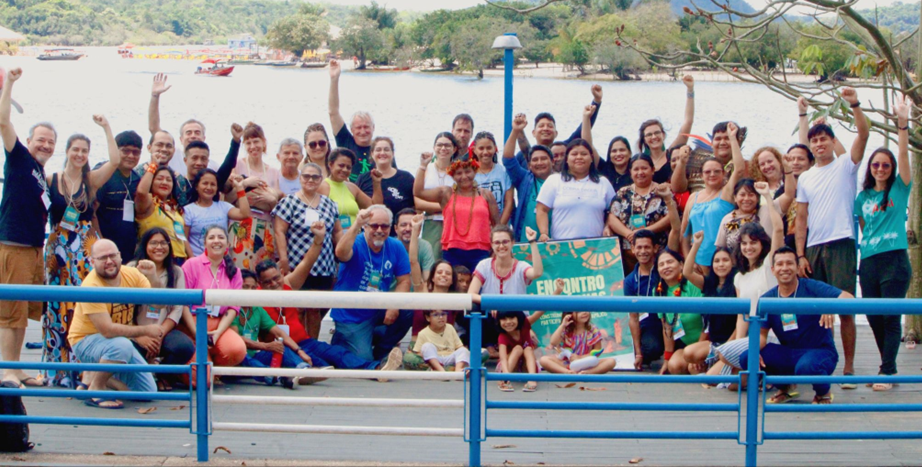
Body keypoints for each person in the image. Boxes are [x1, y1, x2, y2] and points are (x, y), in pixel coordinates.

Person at [795, 87, 868, 385]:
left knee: (844, 308)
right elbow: (801, 218)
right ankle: (820, 361)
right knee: (814, 310)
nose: (818, 143)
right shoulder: (806, 176)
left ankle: (849, 367)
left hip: (842, 243)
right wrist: (800, 254)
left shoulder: (845, 167)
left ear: (832, 141)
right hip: (813, 247)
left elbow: (863, 135)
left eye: (824, 138)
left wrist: (855, 105)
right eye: (814, 140)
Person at [42, 115, 120, 387]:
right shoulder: (51, 178)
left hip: (84, 249)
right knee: (56, 306)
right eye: (75, 149)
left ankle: (83, 368)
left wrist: (106, 128)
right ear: (66, 151)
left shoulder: (91, 180)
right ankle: (57, 370)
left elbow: (115, 161)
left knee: (82, 305)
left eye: (84, 151)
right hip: (57, 248)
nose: (79, 154)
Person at [254, 249, 403, 374]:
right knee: (320, 361)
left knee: (336, 352)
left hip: (305, 342)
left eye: (276, 278)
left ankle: (377, 369)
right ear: (260, 283)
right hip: (284, 349)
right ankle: (314, 369)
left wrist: (318, 241)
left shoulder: (287, 284)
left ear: (282, 273)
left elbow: (307, 263)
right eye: (267, 282)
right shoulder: (254, 299)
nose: (274, 284)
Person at [739, 247, 852, 405]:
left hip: (820, 351)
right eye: (780, 264)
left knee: (806, 367)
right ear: (773, 269)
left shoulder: (812, 287)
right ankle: (786, 388)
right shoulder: (767, 299)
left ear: (798, 267)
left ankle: (823, 393)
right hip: (789, 353)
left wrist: (829, 306)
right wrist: (755, 350)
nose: (784, 268)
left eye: (789, 263)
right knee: (747, 356)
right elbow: (761, 334)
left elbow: (848, 297)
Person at [0, 68, 55, 387]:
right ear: (28, 141)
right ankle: (6, 370)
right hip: (14, 246)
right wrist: (10, 84)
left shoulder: (40, 174)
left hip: (34, 249)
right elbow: (4, 122)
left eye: (51, 142)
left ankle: (16, 368)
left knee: (23, 312)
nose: (45, 145)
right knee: (10, 312)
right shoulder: (19, 158)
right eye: (41, 140)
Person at [855, 95, 912, 389]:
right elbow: (865, 229)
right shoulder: (863, 198)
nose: (880, 168)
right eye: (876, 165)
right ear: (870, 168)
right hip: (869, 262)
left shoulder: (900, 190)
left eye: (885, 165)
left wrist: (901, 123)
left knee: (891, 316)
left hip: (895, 260)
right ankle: (886, 366)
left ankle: (886, 371)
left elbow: (903, 157)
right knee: (873, 316)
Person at [67, 240, 161, 408]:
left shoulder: (131, 274)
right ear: (93, 261)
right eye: (103, 258)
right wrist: (144, 331)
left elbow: (157, 304)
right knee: (122, 345)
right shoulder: (91, 285)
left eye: (112, 256)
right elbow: (107, 331)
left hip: (117, 342)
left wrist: (153, 277)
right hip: (86, 341)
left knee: (147, 392)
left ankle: (94, 375)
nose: (109, 261)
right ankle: (96, 388)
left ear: (120, 256)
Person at [272, 162, 343, 340]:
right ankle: (298, 345)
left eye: (315, 177)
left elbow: (337, 231)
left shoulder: (329, 204)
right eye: (306, 176)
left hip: (324, 264)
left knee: (316, 310)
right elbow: (279, 231)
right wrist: (283, 259)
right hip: (298, 263)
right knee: (298, 308)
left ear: (321, 179)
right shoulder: (289, 202)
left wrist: (341, 256)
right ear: (300, 177)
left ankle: (313, 344)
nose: (310, 180)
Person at [331, 206, 411, 362]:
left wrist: (394, 305)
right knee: (363, 359)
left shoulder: (396, 246)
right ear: (365, 226)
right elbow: (340, 253)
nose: (379, 230)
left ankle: (381, 353)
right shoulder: (357, 242)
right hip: (351, 316)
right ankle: (343, 341)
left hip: (377, 308)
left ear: (390, 227)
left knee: (407, 309)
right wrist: (355, 225)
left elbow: (404, 280)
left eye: (385, 226)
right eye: (374, 225)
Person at [127, 228, 196, 392]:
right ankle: (144, 378)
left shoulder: (177, 272)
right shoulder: (131, 268)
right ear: (145, 245)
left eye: (163, 243)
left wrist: (159, 335)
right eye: (153, 243)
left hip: (161, 330)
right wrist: (140, 335)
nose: (159, 247)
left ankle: (161, 375)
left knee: (184, 346)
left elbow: (177, 310)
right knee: (126, 348)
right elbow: (125, 309)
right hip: (135, 331)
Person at [414, 149, 500, 271]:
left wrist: (496, 249)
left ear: (475, 172)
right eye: (458, 173)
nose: (464, 176)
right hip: (452, 251)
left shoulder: (486, 195)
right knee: (453, 288)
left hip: (481, 251)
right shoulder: (446, 193)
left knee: (478, 288)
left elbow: (497, 225)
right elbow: (418, 192)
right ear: (452, 176)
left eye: (468, 171)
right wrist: (423, 166)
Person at [181, 225, 247, 377]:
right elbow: (182, 304)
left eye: (221, 237)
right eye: (211, 238)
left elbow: (233, 307)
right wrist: (196, 333)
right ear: (204, 243)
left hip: (219, 322)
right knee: (200, 379)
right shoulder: (192, 264)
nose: (216, 241)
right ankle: (201, 372)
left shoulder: (235, 272)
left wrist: (217, 333)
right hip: (192, 322)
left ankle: (212, 369)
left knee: (237, 350)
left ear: (227, 244)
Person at [469, 225, 543, 359]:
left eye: (505, 242)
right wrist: (492, 303)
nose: (501, 246)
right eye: (497, 242)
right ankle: (484, 349)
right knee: (472, 309)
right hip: (492, 319)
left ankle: (507, 351)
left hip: (516, 320)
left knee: (531, 341)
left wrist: (532, 242)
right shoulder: (484, 265)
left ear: (513, 243)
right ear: (491, 245)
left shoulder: (521, 266)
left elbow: (537, 273)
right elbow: (471, 294)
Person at [679, 122, 743, 275]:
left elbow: (739, 169)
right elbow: (684, 235)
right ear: (701, 175)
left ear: (724, 173)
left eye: (716, 171)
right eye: (707, 172)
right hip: (698, 264)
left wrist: (733, 138)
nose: (712, 175)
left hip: (723, 263)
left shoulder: (726, 193)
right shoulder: (693, 197)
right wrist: (689, 260)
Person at [679, 235, 738, 376]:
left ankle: (719, 367)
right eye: (717, 261)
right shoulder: (710, 284)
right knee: (689, 356)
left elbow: (740, 324)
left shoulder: (738, 284)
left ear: (732, 263)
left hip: (732, 342)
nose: (721, 264)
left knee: (706, 377)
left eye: (725, 260)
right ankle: (713, 366)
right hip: (714, 343)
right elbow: (687, 272)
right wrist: (696, 245)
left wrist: (726, 349)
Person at [227, 122, 282, 271]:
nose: (253, 146)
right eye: (248, 143)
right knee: (241, 271)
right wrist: (245, 184)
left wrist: (269, 198)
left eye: (256, 141)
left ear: (264, 142)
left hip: (265, 226)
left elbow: (275, 202)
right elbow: (227, 199)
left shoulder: (273, 171)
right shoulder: (238, 165)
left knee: (263, 272)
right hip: (242, 226)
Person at [536, 139, 615, 241]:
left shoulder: (603, 182)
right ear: (567, 159)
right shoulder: (554, 180)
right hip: (562, 247)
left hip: (596, 247)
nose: (579, 157)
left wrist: (608, 226)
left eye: (583, 154)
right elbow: (541, 209)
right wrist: (544, 233)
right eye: (574, 154)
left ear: (591, 158)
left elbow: (614, 211)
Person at [608, 155, 672, 273]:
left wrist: (646, 231)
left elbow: (670, 217)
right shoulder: (623, 192)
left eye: (644, 168)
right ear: (630, 172)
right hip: (629, 254)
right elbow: (612, 218)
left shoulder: (662, 191)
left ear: (652, 170)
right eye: (636, 169)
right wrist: (628, 234)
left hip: (657, 253)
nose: (640, 172)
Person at [514, 84, 603, 167]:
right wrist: (519, 129)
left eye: (550, 126)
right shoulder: (522, 156)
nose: (545, 128)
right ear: (533, 132)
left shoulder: (565, 148)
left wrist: (596, 101)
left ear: (556, 133)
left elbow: (583, 128)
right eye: (541, 126)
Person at [654, 248, 706, 375]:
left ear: (681, 265)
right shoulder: (659, 292)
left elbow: (708, 323)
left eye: (670, 262)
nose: (666, 267)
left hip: (706, 342)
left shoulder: (693, 284)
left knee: (693, 369)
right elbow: (667, 327)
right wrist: (666, 359)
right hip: (686, 346)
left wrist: (697, 353)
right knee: (674, 366)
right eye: (661, 264)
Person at [503, 114, 555, 243]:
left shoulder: (561, 182)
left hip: (555, 242)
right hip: (525, 242)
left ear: (553, 162)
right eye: (535, 160)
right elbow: (508, 159)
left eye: (544, 159)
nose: (539, 162)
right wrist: (515, 130)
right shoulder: (524, 179)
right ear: (529, 165)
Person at [636, 75, 695, 184]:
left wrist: (690, 90)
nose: (654, 137)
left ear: (663, 135)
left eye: (657, 133)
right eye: (649, 135)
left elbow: (688, 121)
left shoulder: (671, 154)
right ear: (644, 139)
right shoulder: (640, 161)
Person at [96, 129, 143, 261]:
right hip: (105, 244)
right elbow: (92, 211)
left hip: (128, 246)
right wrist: (99, 242)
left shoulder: (136, 179)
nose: (131, 156)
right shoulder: (104, 174)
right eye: (125, 151)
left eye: (136, 152)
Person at [414, 132, 462, 262]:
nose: (443, 148)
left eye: (447, 145)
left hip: (455, 224)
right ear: (434, 147)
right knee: (430, 262)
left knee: (452, 263)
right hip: (430, 222)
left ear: (454, 149)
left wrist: (439, 207)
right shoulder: (426, 169)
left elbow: (463, 201)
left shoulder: (459, 172)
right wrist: (445, 206)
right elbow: (417, 201)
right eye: (439, 145)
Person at [183, 169, 251, 256]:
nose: (209, 187)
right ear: (196, 186)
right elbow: (184, 239)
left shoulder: (224, 207)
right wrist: (192, 260)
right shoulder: (188, 210)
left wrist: (240, 188)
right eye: (205, 183)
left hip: (222, 262)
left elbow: (244, 214)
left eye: (213, 184)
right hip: (198, 263)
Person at [172, 125, 243, 207]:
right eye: (194, 158)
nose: (199, 163)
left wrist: (236, 141)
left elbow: (228, 165)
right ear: (185, 160)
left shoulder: (213, 182)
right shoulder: (178, 184)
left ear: (208, 161)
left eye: (203, 159)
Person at [328, 59, 374, 181]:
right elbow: (333, 112)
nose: (363, 131)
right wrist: (334, 79)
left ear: (373, 128)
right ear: (352, 130)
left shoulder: (380, 150)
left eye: (366, 127)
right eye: (358, 128)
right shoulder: (346, 142)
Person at [624, 230, 664, 369]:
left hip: (672, 323)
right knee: (651, 348)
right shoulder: (629, 281)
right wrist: (639, 354)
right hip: (649, 326)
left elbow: (676, 232)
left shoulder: (664, 270)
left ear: (655, 248)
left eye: (647, 247)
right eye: (639, 247)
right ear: (633, 249)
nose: (643, 251)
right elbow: (633, 317)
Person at [136, 164, 193, 260]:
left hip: (179, 260)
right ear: (151, 182)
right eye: (160, 179)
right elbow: (141, 192)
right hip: (156, 258)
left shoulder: (174, 208)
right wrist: (153, 165)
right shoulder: (149, 203)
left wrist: (192, 259)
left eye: (168, 180)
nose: (164, 182)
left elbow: (182, 237)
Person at [540, 308, 617, 375]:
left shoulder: (593, 330)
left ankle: (587, 373)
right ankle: (567, 372)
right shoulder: (566, 329)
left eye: (586, 309)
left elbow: (597, 352)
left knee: (611, 361)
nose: (584, 312)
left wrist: (580, 357)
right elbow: (553, 342)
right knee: (544, 360)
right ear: (569, 314)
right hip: (567, 363)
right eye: (579, 311)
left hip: (587, 363)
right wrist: (563, 325)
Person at [320, 148, 383, 228]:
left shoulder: (352, 187)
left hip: (355, 236)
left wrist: (376, 183)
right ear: (330, 164)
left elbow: (375, 208)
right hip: (335, 237)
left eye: (348, 167)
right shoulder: (322, 187)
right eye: (341, 165)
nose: (345, 170)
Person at [357, 137, 414, 217]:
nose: (382, 153)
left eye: (386, 149)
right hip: (373, 227)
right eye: (378, 150)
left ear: (393, 153)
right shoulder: (363, 178)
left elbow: (416, 206)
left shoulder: (406, 178)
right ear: (372, 154)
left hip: (401, 228)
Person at [472, 132, 514, 226]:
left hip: (501, 227)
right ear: (474, 150)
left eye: (489, 148)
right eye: (481, 148)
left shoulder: (503, 172)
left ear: (495, 148)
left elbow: (509, 202)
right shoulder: (469, 174)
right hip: (477, 227)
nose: (485, 152)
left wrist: (499, 228)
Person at [495, 311, 540, 392]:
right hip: (509, 368)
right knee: (518, 348)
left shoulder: (525, 325)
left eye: (512, 318)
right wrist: (505, 374)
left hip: (525, 366)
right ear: (499, 321)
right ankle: (505, 380)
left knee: (528, 349)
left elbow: (540, 311)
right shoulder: (502, 336)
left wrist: (553, 297)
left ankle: (532, 379)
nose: (508, 322)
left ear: (518, 318)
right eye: (504, 319)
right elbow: (503, 359)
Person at [398, 208, 435, 284]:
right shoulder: (389, 246)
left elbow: (427, 280)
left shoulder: (425, 246)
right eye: (403, 225)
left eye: (412, 225)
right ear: (396, 228)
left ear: (419, 229)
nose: (408, 229)